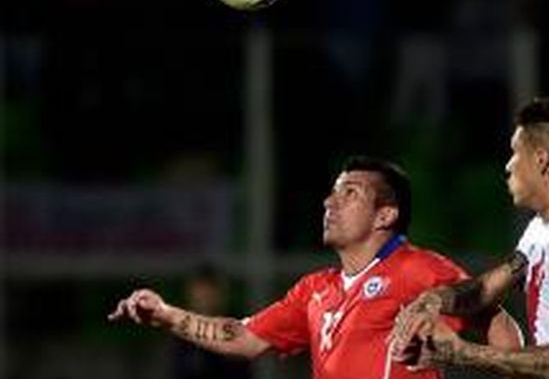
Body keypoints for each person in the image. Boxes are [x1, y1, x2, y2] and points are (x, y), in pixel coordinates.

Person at [109, 155, 473, 379]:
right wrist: (167, 315)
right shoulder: (314, 290)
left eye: (350, 193)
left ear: (385, 215)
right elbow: (244, 338)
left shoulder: (417, 268)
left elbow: (497, 324)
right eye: (333, 191)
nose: (330, 201)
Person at [390, 95, 549, 378]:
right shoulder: (544, 228)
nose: (509, 165)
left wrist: (460, 352)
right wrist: (432, 300)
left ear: (542, 160)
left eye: (515, 152)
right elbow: (486, 289)